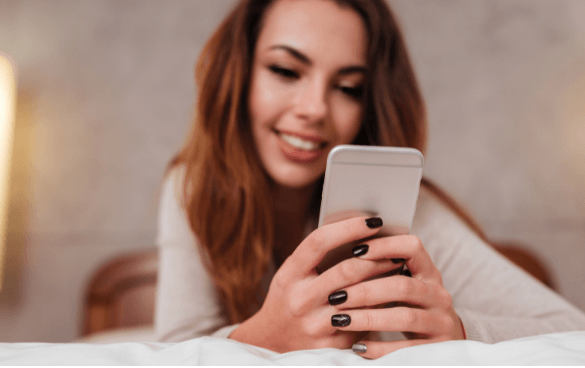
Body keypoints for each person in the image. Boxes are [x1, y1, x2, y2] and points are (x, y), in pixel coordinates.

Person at [155, 0, 585, 359]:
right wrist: (258, 337)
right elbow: (174, 349)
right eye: (286, 71)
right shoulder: (191, 188)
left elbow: (570, 329)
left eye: (349, 87)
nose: (314, 109)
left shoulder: (404, 215)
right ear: (239, 76)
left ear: (369, 107)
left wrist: (460, 330)